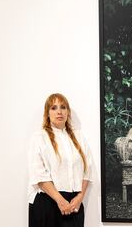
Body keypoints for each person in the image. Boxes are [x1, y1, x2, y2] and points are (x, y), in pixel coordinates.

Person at [28, 93, 93, 227]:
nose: (59, 112)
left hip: (74, 204)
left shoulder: (79, 136)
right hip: (48, 202)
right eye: (53, 108)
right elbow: (39, 175)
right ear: (47, 113)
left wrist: (80, 196)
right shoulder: (39, 137)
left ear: (68, 112)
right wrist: (60, 200)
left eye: (63, 107)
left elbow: (87, 170)